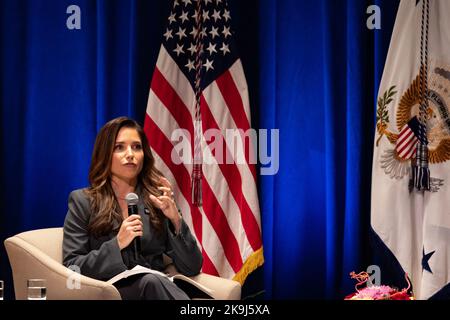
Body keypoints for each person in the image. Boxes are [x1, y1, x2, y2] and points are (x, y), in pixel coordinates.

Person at [62, 116, 203, 300]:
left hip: (156, 290)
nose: (130, 154)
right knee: (151, 282)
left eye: (136, 147)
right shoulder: (83, 201)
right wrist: (117, 244)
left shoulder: (157, 200)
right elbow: (73, 267)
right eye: (119, 147)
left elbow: (192, 266)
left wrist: (175, 219)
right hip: (109, 291)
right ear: (105, 154)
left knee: (154, 282)